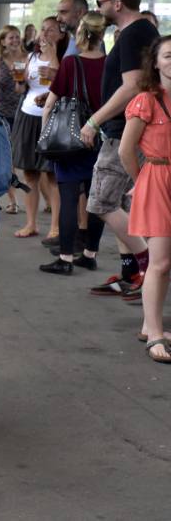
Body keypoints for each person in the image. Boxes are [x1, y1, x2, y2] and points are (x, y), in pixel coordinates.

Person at [79, 0, 155, 299]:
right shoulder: (136, 32)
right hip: (128, 130)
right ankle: (132, 273)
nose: (98, 8)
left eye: (100, 2)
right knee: (123, 204)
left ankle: (149, 266)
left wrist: (94, 120)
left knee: (101, 202)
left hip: (124, 131)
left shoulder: (134, 33)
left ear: (117, 3)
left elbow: (132, 86)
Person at [38, 12, 107, 274]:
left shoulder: (71, 63)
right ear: (102, 34)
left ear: (80, 33)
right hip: (100, 140)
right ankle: (90, 254)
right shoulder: (111, 64)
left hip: (70, 141)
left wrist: (45, 137)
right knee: (96, 200)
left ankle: (65, 258)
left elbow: (49, 105)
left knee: (68, 199)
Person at [120, 35, 171, 362]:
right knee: (161, 262)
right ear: (155, 62)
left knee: (165, 264)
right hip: (157, 179)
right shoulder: (146, 100)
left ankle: (149, 325)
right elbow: (126, 150)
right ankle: (154, 335)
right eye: (168, 55)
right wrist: (142, 181)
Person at [11, 17, 65, 239]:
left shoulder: (65, 57)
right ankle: (31, 223)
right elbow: (20, 89)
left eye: (51, 30)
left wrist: (52, 54)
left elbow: (61, 84)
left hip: (52, 117)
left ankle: (55, 227)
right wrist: (19, 80)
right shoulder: (31, 57)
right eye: (43, 29)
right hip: (28, 114)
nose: (45, 33)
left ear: (61, 34)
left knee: (52, 175)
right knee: (30, 174)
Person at [0, 25, 26, 214]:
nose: (15, 40)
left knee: (27, 158)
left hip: (24, 113)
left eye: (17, 37)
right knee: (8, 159)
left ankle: (47, 198)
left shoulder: (27, 59)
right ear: (3, 41)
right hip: (2, 114)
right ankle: (13, 201)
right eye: (11, 37)